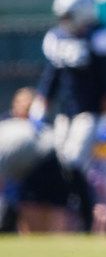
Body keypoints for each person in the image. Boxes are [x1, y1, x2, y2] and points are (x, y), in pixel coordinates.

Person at [32, 0, 106, 232]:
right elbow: (52, 76)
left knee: (73, 162)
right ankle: (81, 214)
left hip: (89, 112)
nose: (64, 20)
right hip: (64, 112)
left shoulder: (101, 37)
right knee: (63, 163)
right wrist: (41, 105)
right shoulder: (57, 38)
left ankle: (87, 215)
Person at [0, 88, 71, 233]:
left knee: (52, 225)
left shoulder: (42, 125)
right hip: (22, 180)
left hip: (47, 172)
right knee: (30, 229)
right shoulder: (7, 126)